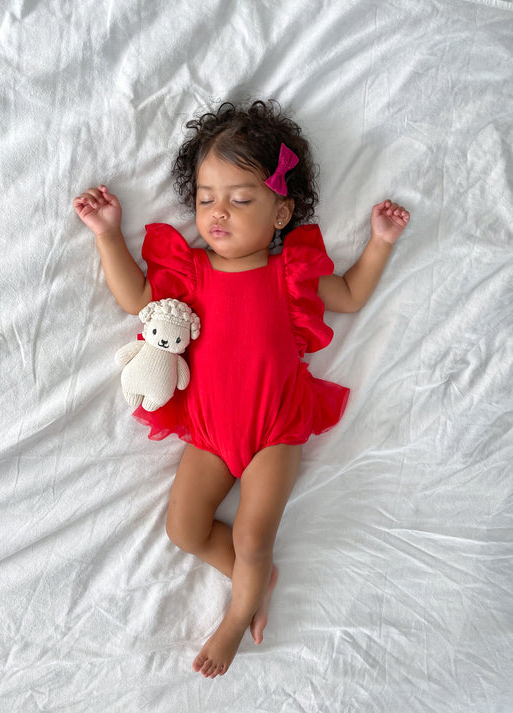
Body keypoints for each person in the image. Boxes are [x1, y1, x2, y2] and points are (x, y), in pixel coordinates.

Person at [73, 100, 410, 679]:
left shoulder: (289, 275)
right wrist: (107, 235)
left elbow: (350, 296)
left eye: (240, 199)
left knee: (253, 535)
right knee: (184, 529)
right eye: (206, 198)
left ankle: (236, 616)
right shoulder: (191, 273)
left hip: (276, 429)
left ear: (281, 211)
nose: (218, 212)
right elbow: (136, 300)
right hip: (208, 433)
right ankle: (255, 580)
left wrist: (380, 242)